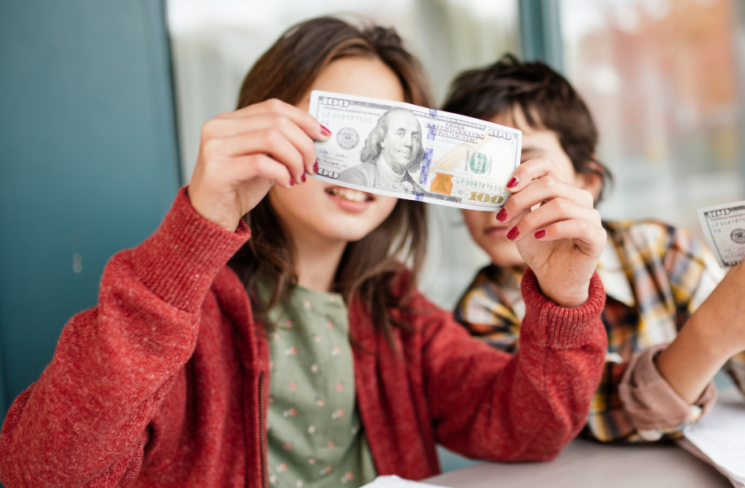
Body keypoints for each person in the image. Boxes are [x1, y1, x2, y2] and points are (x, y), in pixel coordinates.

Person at [0, 21, 609, 487]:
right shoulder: (178, 305)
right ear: (264, 127)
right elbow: (45, 474)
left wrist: (564, 300)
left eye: (397, 135)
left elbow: (531, 430)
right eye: (342, 132)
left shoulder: (398, 313)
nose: (371, 158)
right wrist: (197, 228)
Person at [442, 55, 745, 443]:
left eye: (522, 164)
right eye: (475, 171)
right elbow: (599, 419)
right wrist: (713, 333)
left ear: (588, 182)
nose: (500, 194)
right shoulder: (481, 310)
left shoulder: (657, 249)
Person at [338, 108, 427, 194]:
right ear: (382, 139)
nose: (409, 143)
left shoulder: (419, 192)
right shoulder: (355, 178)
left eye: (415, 137)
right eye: (400, 133)